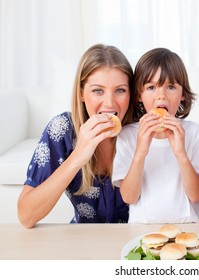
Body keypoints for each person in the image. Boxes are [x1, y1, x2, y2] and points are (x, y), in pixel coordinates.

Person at [18, 44, 134, 228]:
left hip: (137, 243)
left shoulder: (141, 129)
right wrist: (77, 158)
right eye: (98, 90)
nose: (110, 103)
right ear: (81, 93)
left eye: (120, 90)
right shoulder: (62, 130)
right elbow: (26, 216)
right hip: (82, 241)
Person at [112, 48, 199, 224]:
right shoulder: (127, 136)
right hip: (142, 231)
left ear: (183, 94)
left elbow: (197, 196)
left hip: (188, 228)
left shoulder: (195, 133)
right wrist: (140, 152)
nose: (161, 95)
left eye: (171, 87)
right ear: (139, 95)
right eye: (151, 87)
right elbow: (129, 197)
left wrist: (180, 153)